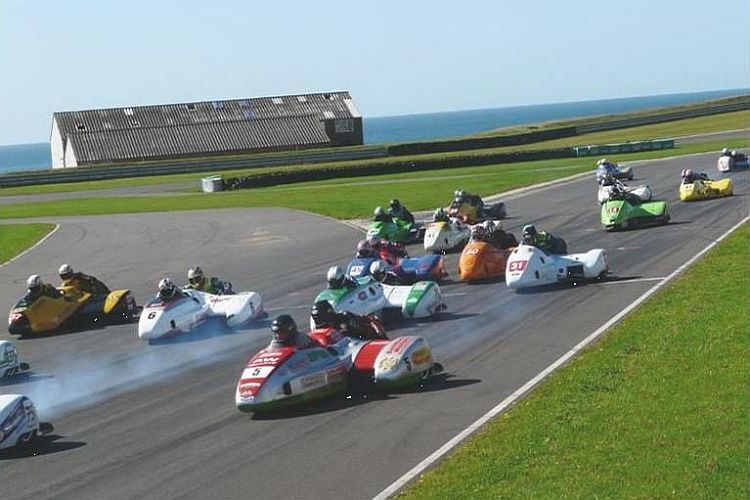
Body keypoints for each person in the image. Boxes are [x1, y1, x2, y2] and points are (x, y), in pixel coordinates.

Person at [310, 300, 385, 340]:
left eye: (320, 318)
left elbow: (367, 323)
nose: (318, 322)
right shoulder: (316, 333)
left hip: (360, 345)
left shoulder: (345, 317)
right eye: (316, 319)